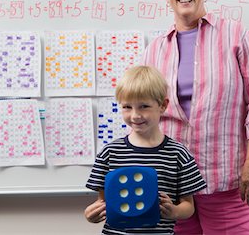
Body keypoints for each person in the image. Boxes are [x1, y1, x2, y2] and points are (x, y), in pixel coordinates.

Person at [141, 0, 249, 234]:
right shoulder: (155, 49)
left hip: (226, 178)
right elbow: (144, 115)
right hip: (173, 184)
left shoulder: (235, 35)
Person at [85, 65, 207, 235]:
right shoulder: (110, 153)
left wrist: (175, 212)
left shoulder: (179, 154)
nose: (135, 115)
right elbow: (102, 202)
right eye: (127, 107)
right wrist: (91, 214)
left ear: (163, 105)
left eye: (144, 106)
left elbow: (188, 205)